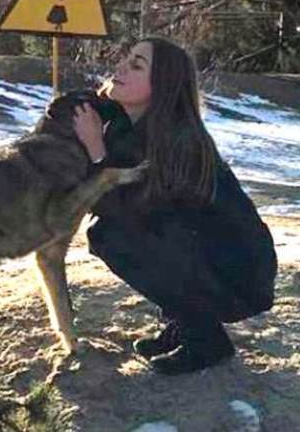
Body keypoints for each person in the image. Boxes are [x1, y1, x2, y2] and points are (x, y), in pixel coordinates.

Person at [62, 36, 277, 375]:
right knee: (111, 233)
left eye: (137, 65)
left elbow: (130, 210)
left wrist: (95, 149)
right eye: (126, 59)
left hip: (239, 274)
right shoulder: (125, 124)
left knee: (116, 236)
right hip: (205, 258)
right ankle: (187, 320)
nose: (120, 68)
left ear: (161, 84)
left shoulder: (180, 141)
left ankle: (207, 340)